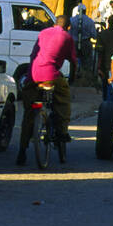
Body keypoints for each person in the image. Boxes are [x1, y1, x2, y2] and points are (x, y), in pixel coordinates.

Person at [17, 14, 77, 164]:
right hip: (51, 75)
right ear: (68, 27)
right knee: (63, 101)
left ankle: (22, 151)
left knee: (29, 113)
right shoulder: (67, 38)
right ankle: (62, 132)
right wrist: (73, 78)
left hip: (33, 74)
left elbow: (33, 54)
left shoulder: (43, 33)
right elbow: (73, 61)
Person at [70, 4, 95, 83]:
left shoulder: (72, 20)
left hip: (74, 43)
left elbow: (68, 33)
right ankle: (85, 80)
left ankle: (72, 79)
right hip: (86, 44)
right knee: (87, 62)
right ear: (85, 11)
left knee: (73, 61)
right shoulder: (90, 21)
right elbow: (94, 35)